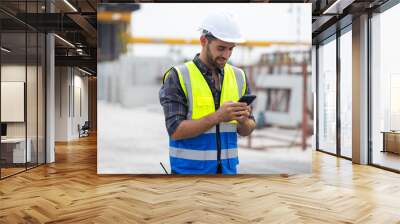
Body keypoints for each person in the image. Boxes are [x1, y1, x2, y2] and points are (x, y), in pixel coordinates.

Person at [159, 10, 256, 174]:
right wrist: (218, 116)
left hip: (227, 172)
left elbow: (247, 129)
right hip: (188, 175)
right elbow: (175, 130)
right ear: (204, 41)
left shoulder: (239, 76)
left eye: (231, 49)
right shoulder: (178, 76)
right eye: (221, 48)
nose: (226, 55)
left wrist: (244, 120)